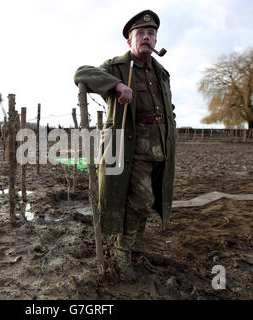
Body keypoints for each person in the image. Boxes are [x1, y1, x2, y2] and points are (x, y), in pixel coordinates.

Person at [74, 9, 176, 280]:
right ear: (129, 41)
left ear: (156, 41)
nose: (146, 38)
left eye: (151, 34)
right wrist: (116, 86)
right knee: (140, 201)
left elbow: (168, 108)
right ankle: (121, 254)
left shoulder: (161, 72)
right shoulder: (117, 66)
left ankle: (132, 245)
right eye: (140, 34)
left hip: (160, 149)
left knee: (147, 201)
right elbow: (81, 73)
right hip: (130, 148)